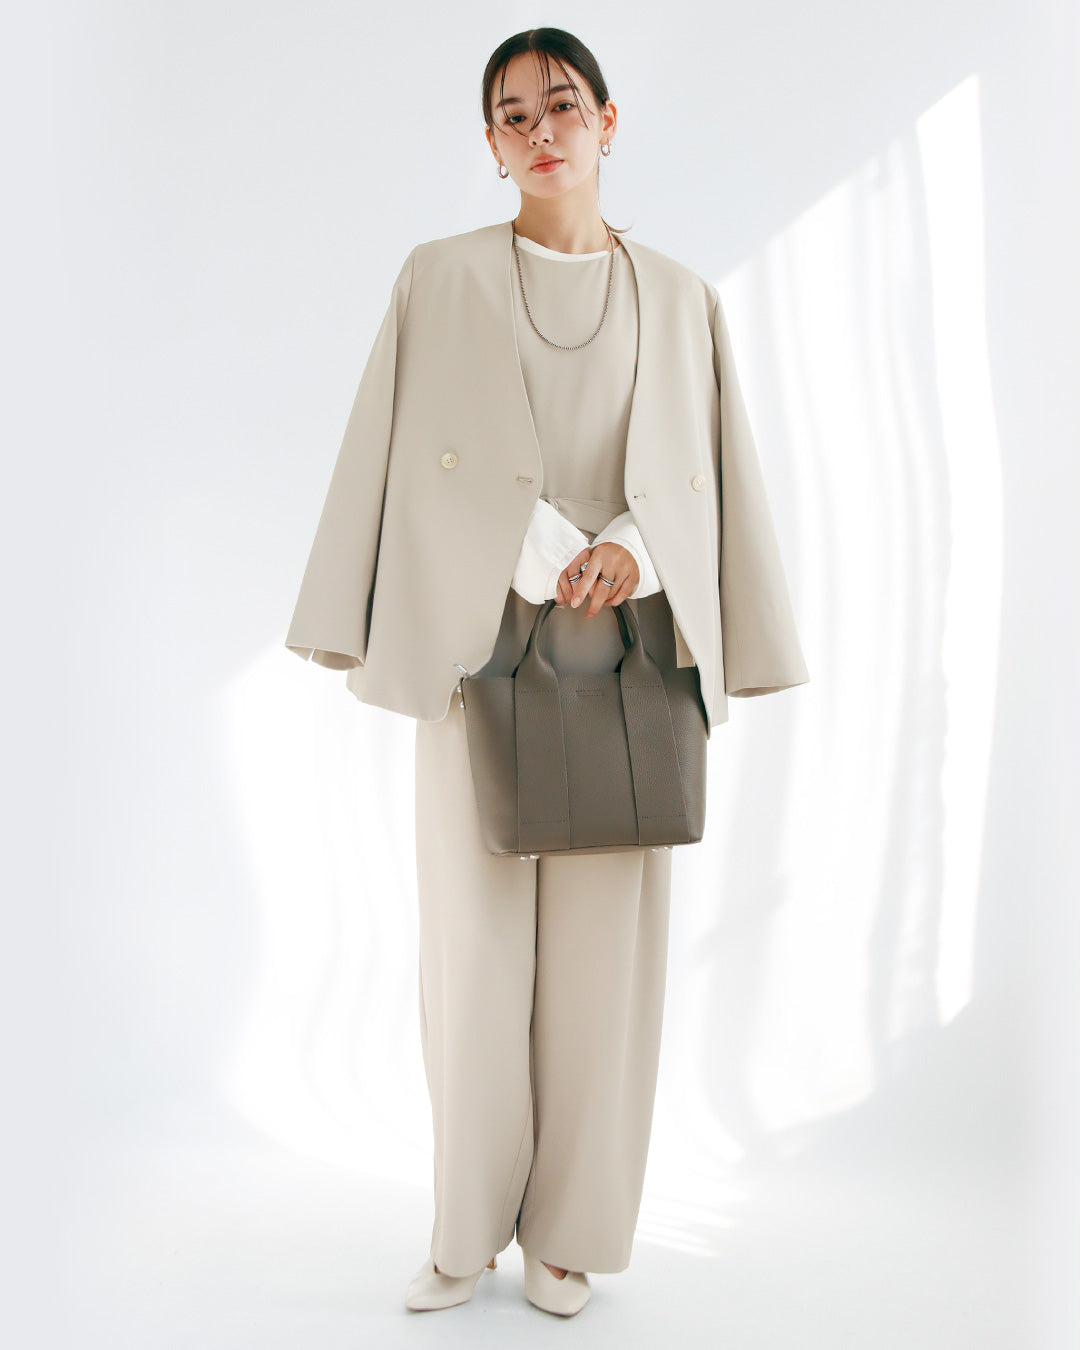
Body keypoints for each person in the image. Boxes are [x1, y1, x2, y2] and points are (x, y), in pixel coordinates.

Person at [284, 26, 810, 1320]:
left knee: (599, 974)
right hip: (480, 651)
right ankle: (466, 1228)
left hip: (627, 664)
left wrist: (632, 550)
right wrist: (537, 550)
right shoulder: (441, 279)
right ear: (490, 143)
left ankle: (566, 1235)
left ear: (608, 122)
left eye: (562, 104)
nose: (541, 131)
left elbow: (707, 473)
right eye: (513, 115)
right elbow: (409, 451)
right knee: (471, 957)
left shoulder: (679, 296)